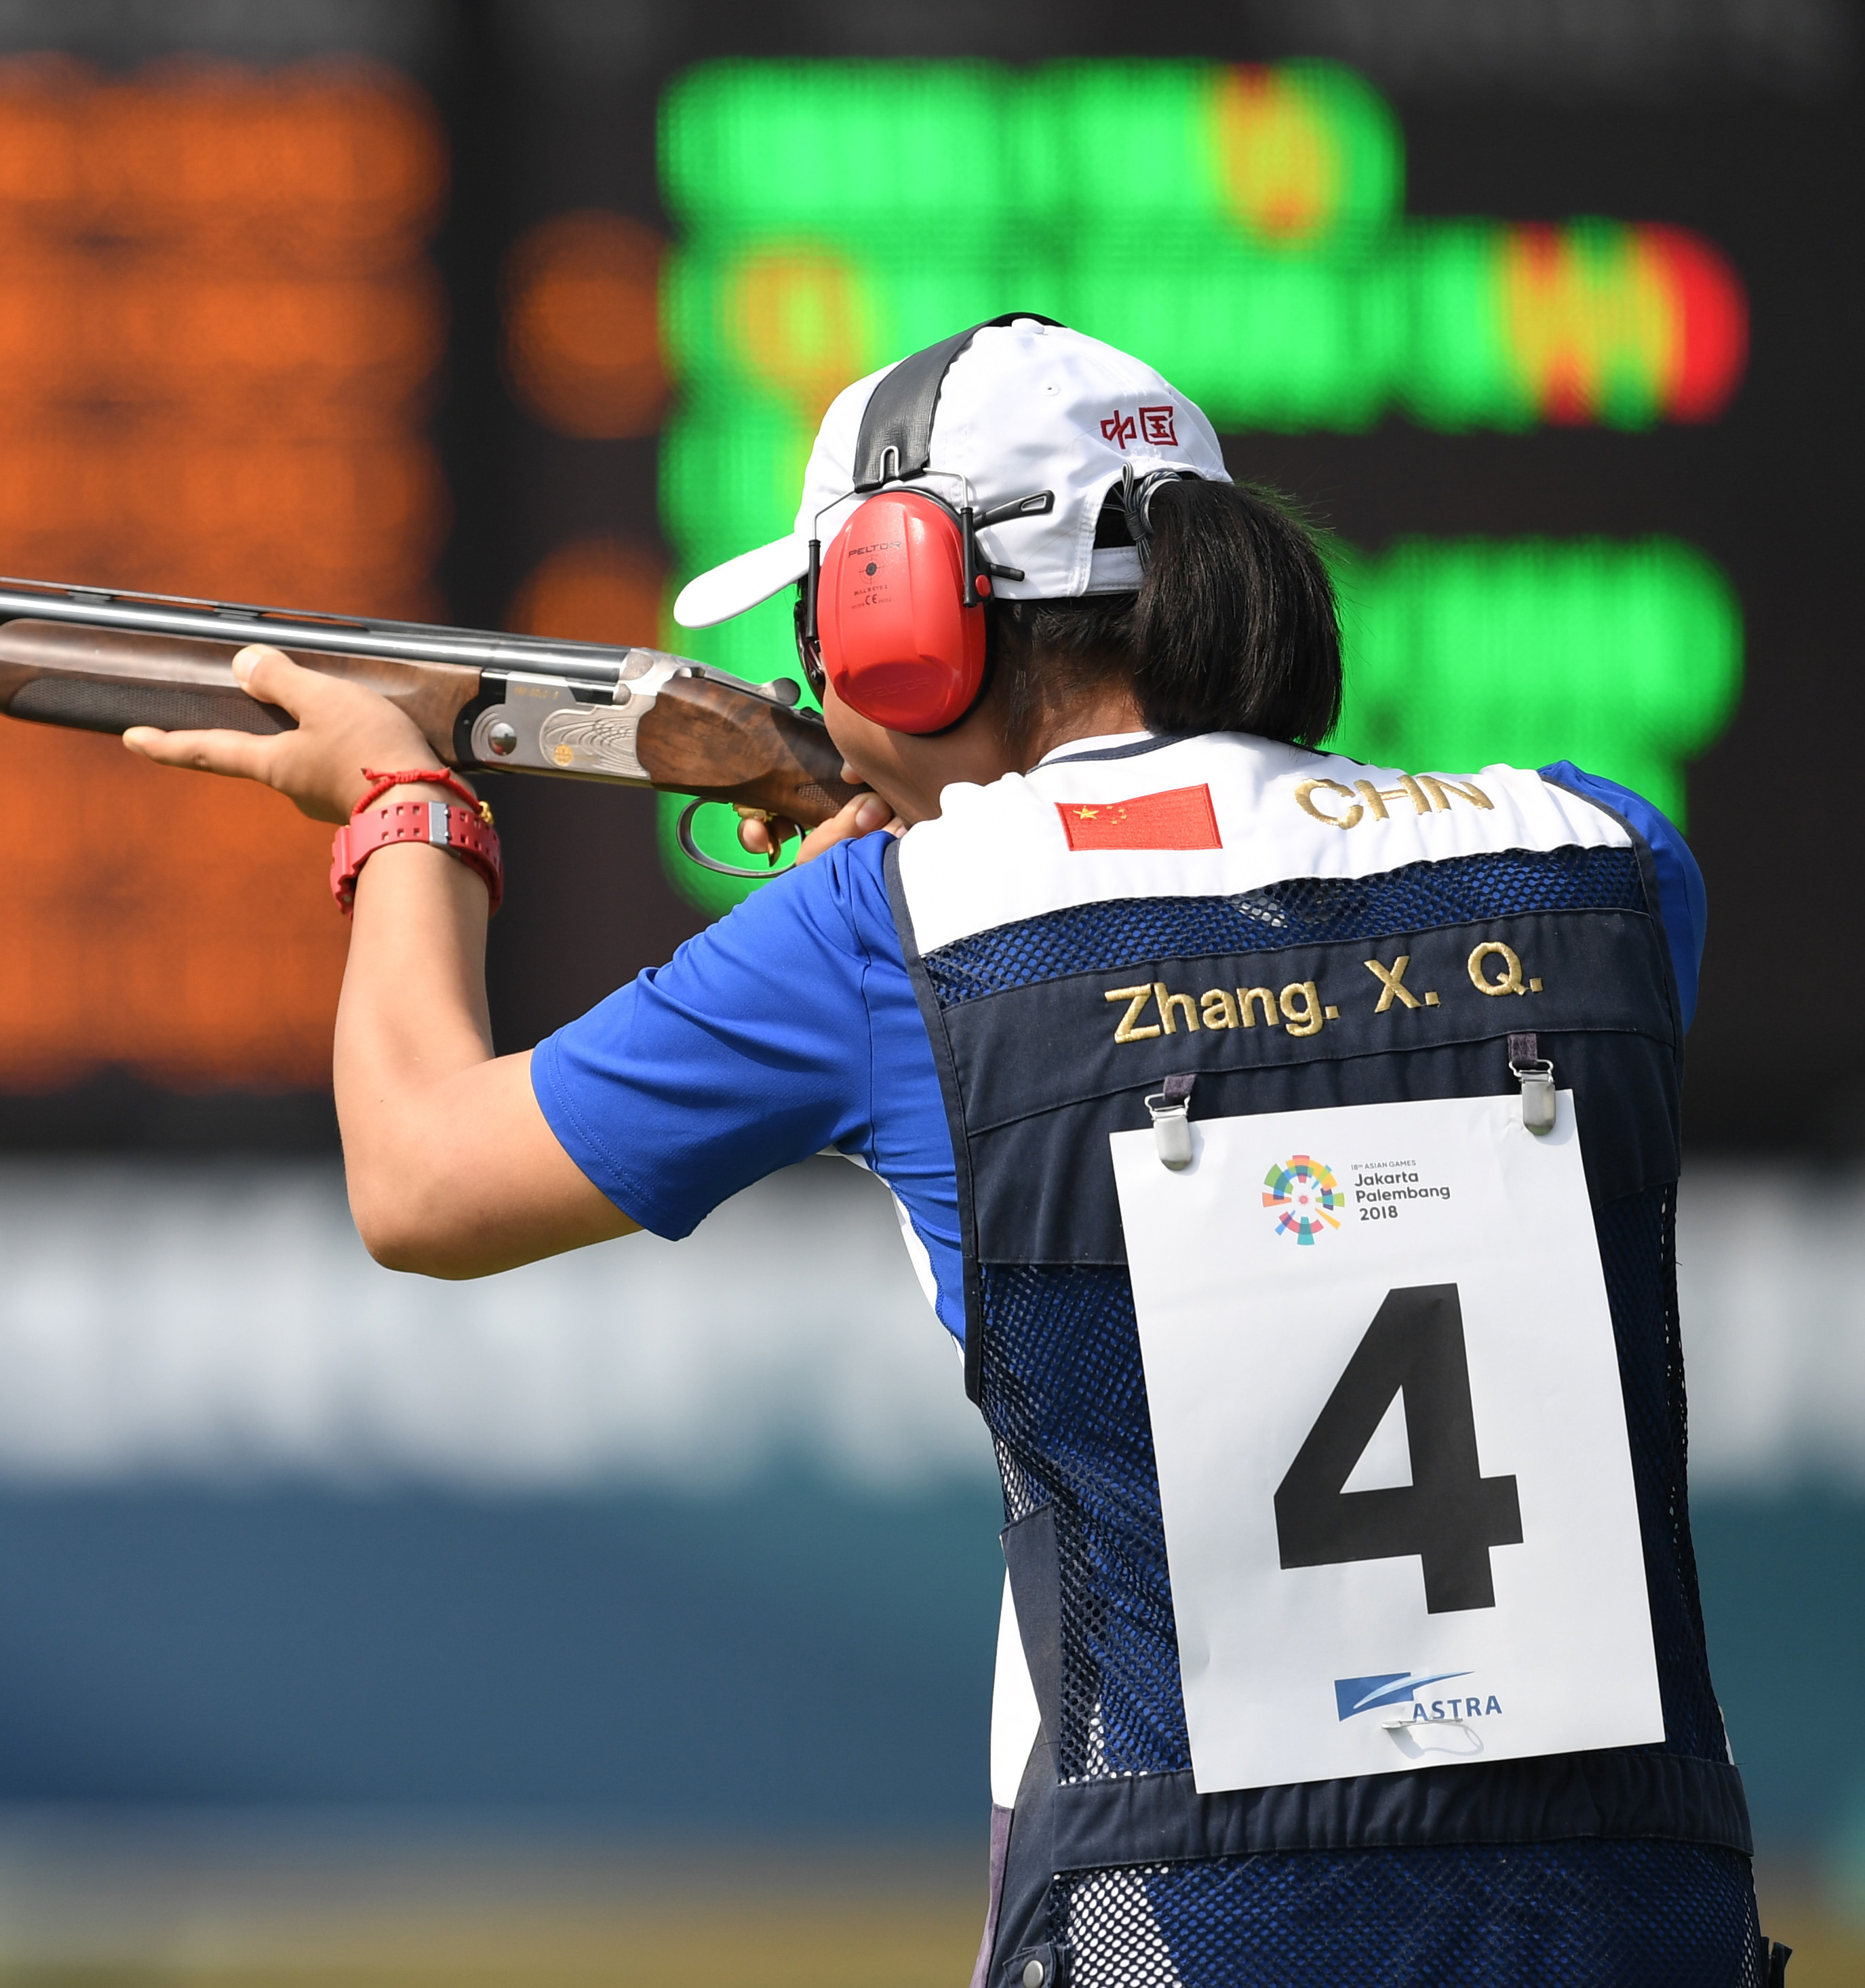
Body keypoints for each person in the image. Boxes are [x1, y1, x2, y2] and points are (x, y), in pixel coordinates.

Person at [127, 317, 1776, 1988]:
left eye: (822, 614)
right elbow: (1290, 975)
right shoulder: (1610, 863)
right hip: (1636, 1923)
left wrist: (408, 809)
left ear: (904, 612)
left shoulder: (892, 930)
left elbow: (419, 1177)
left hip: (1184, 1931)